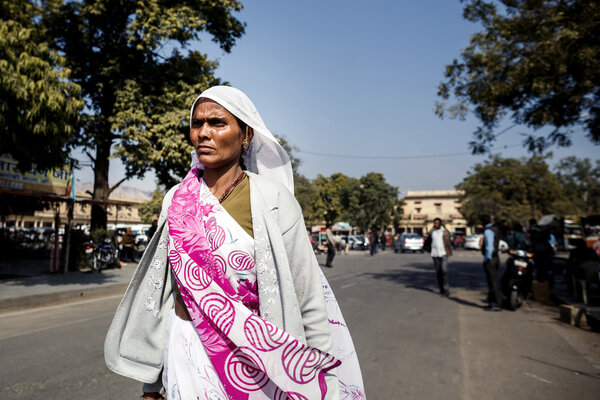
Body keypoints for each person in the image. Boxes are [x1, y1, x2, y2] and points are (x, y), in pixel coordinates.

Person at [104, 86, 364, 400]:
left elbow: (307, 300)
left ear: (245, 136)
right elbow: (162, 293)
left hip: (254, 361)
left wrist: (322, 385)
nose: (203, 133)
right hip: (184, 351)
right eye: (197, 123)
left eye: (217, 123)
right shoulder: (177, 199)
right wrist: (151, 385)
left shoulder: (273, 200)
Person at [425, 218, 453, 296]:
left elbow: (449, 241)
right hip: (435, 254)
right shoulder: (432, 232)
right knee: (438, 272)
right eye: (435, 223)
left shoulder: (445, 232)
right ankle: (441, 289)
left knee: (444, 271)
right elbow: (428, 237)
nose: (436, 224)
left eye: (438, 223)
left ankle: (446, 289)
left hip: (443, 253)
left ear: (440, 224)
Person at [481, 215, 502, 311]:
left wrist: (487, 258)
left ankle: (496, 303)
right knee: (492, 281)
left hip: (491, 258)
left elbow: (489, 246)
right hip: (495, 257)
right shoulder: (494, 228)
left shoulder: (488, 230)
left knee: (492, 282)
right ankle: (492, 302)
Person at [528, 218, 554, 284]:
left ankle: (542, 281)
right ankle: (546, 281)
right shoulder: (543, 229)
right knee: (545, 267)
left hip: (537, 251)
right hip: (545, 250)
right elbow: (549, 238)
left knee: (539, 267)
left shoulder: (532, 229)